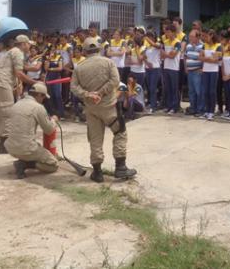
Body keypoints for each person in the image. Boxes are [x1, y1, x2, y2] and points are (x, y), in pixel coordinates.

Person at [70, 37, 137, 183]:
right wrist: (100, 93)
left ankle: (97, 172)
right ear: (99, 49)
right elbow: (115, 80)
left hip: (91, 108)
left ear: (84, 51)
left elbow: (73, 88)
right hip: (110, 107)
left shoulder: (79, 67)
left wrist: (89, 94)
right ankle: (120, 168)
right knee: (120, 133)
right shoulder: (108, 62)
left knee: (95, 139)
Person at [0, 35, 35, 154]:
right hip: (2, 84)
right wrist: (34, 82)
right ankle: (4, 145)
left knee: (2, 114)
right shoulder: (18, 52)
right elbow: (19, 73)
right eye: (29, 44)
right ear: (23, 44)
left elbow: (19, 70)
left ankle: (3, 143)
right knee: (7, 114)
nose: (30, 46)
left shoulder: (11, 52)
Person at [5, 82, 59, 179]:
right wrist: (53, 120)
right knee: (53, 165)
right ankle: (26, 164)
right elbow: (49, 130)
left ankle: (24, 161)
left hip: (10, 147)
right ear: (39, 95)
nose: (43, 100)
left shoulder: (16, 104)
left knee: (31, 144)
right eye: (43, 97)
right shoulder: (38, 107)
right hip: (26, 149)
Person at [200, 29, 222, 120]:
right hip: (205, 70)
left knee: (211, 92)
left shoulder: (218, 46)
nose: (203, 38)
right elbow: (200, 57)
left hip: (213, 71)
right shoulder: (204, 45)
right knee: (205, 91)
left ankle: (211, 112)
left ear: (211, 35)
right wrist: (210, 58)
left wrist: (206, 58)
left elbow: (216, 60)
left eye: (205, 36)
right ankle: (206, 110)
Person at [160, 24, 182, 114]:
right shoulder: (165, 42)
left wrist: (166, 54)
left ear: (173, 32)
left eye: (168, 32)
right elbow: (162, 54)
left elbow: (173, 56)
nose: (167, 34)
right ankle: (169, 106)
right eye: (166, 32)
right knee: (168, 88)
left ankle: (175, 107)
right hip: (166, 67)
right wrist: (167, 54)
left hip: (174, 68)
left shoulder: (177, 42)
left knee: (174, 88)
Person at [185, 29, 204, 116]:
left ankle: (200, 109)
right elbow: (185, 57)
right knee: (191, 91)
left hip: (197, 71)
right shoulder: (188, 46)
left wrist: (202, 68)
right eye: (190, 36)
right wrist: (186, 67)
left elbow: (204, 58)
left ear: (198, 37)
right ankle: (193, 108)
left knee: (198, 91)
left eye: (192, 37)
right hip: (190, 71)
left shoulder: (202, 46)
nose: (190, 38)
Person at [44, 43, 64, 119]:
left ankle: (61, 114)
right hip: (49, 78)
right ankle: (52, 113)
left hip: (57, 79)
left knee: (57, 95)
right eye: (52, 49)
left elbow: (60, 68)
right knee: (50, 95)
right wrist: (49, 59)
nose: (53, 51)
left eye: (55, 49)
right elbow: (46, 68)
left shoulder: (60, 57)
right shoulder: (47, 57)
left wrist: (51, 69)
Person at [143, 31, 162, 113]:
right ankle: (150, 103)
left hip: (155, 69)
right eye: (148, 37)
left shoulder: (157, 44)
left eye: (151, 37)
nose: (149, 39)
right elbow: (143, 57)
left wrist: (147, 38)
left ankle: (153, 106)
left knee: (153, 88)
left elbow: (156, 46)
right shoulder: (146, 47)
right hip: (147, 69)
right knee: (149, 88)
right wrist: (147, 63)